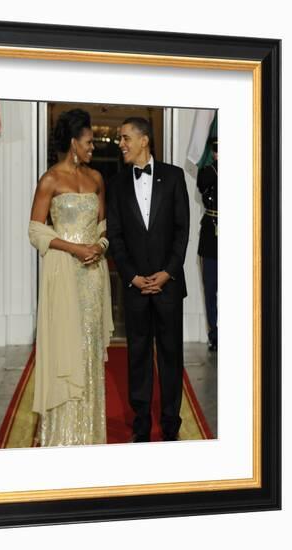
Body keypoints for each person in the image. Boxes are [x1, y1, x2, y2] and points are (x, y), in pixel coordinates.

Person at [28, 109, 113, 447]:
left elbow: (105, 226)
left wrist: (100, 246)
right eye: (89, 142)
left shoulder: (96, 179)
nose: (94, 147)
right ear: (74, 142)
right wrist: (74, 249)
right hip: (63, 275)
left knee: (89, 346)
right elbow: (35, 231)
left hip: (93, 277)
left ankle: (89, 434)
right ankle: (62, 436)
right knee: (66, 346)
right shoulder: (50, 180)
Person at [107, 117, 190, 442]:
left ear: (144, 140)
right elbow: (115, 235)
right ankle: (141, 422)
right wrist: (132, 277)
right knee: (138, 356)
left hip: (169, 286)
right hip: (135, 288)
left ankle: (171, 424)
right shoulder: (116, 184)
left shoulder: (174, 177)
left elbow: (182, 229)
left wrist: (168, 273)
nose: (121, 144)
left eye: (125, 137)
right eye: (120, 138)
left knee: (171, 355)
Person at [197, 137, 218, 352]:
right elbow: (202, 183)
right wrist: (218, 165)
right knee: (210, 288)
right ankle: (215, 334)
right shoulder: (208, 171)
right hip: (211, 234)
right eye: (217, 149)